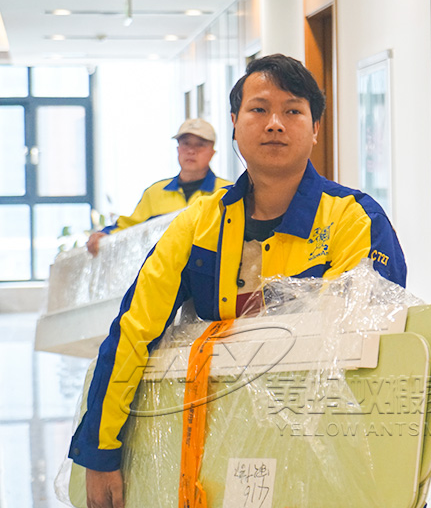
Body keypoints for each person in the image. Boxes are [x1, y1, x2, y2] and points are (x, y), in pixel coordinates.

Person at [69, 54, 406, 508]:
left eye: (292, 111)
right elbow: (133, 332)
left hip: (329, 456)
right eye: (258, 109)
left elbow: (372, 348)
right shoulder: (197, 225)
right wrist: (100, 452)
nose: (275, 124)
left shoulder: (355, 219)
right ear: (234, 124)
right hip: (215, 452)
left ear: (315, 128)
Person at [86, 118, 232, 255]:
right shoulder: (155, 193)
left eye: (200, 145)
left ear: (212, 152)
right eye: (186, 143)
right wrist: (104, 235)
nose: (191, 151)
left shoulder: (227, 192)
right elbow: (130, 227)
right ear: (178, 149)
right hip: (163, 271)